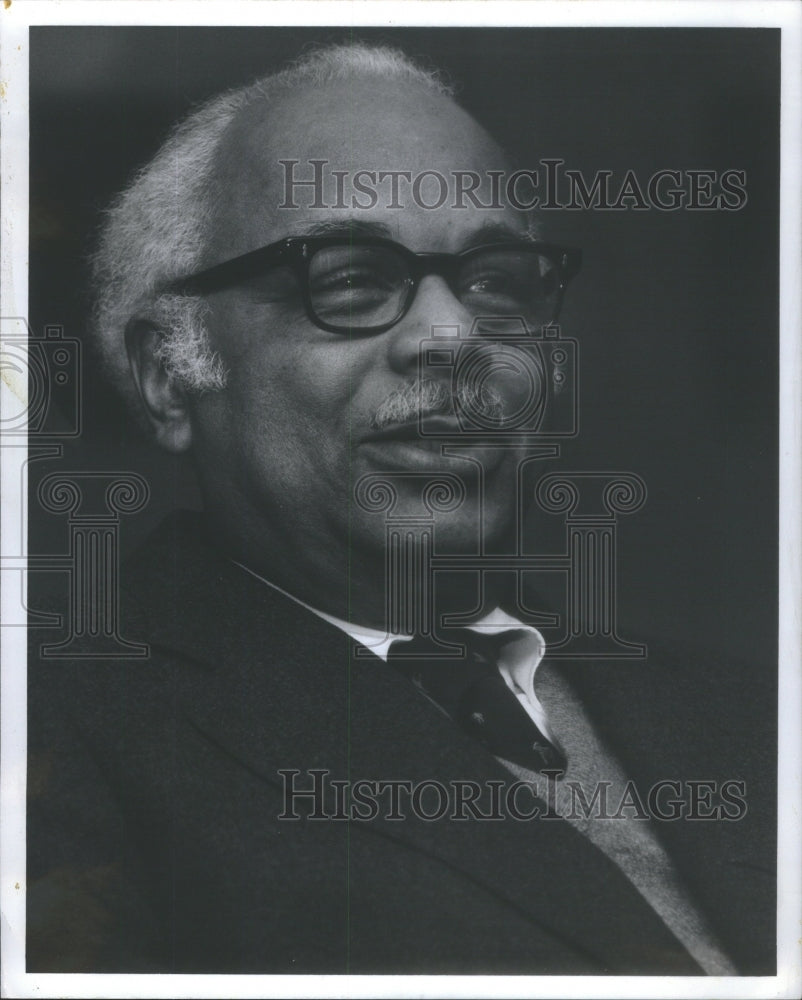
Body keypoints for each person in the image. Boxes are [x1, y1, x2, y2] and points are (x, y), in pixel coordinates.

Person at [26, 42, 775, 975]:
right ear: (170, 374)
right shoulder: (50, 724)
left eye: (498, 284)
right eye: (349, 281)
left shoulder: (755, 714)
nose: (452, 336)